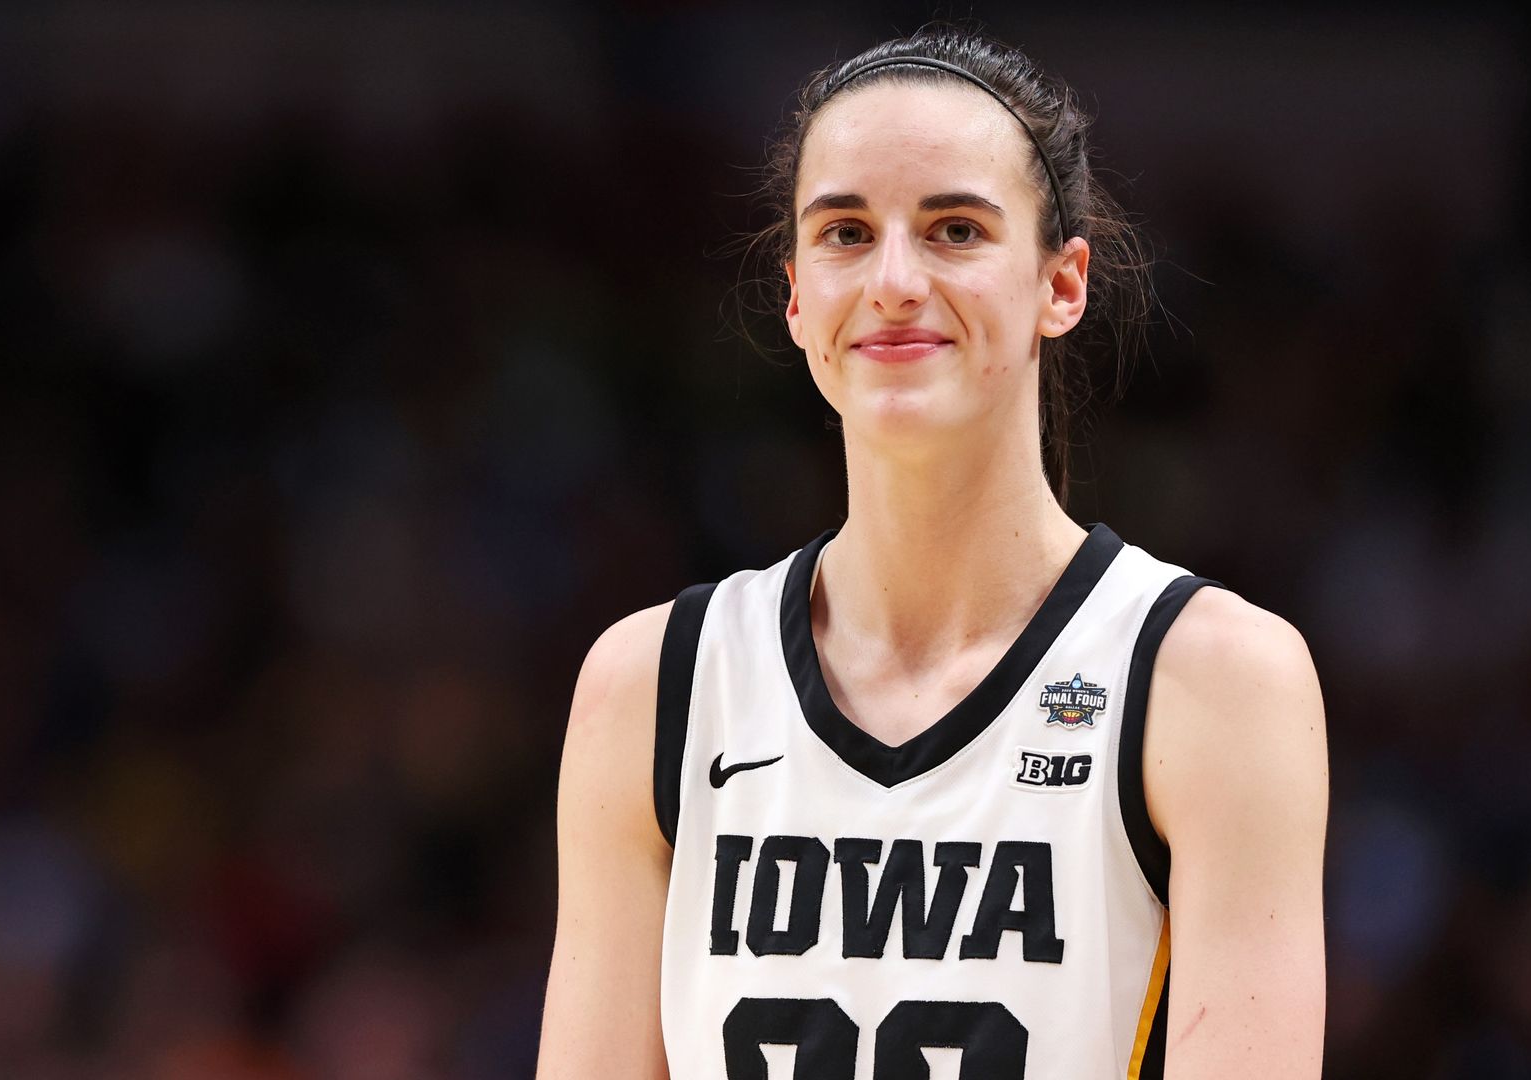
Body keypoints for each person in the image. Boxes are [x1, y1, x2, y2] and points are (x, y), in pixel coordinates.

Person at [536, 24, 1326, 1080]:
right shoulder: (654, 687)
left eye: (955, 229)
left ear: (1062, 283)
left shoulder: (1214, 680)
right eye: (846, 232)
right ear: (796, 294)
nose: (895, 280)